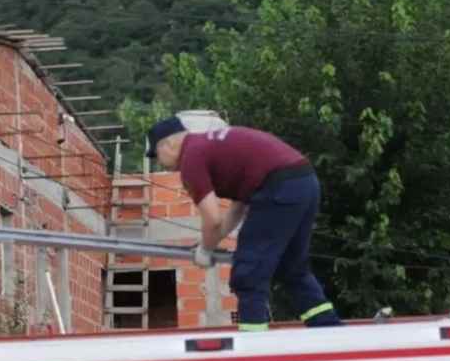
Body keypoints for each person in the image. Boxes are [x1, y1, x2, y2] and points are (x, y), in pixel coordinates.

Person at [146, 113, 342, 331]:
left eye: (156, 156)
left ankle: (253, 344)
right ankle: (328, 329)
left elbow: (212, 218)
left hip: (278, 187)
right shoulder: (210, 145)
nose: (161, 164)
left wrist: (205, 249)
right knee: (293, 267)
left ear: (168, 144)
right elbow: (237, 208)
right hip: (304, 181)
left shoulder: (191, 158)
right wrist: (209, 245)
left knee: (248, 273)